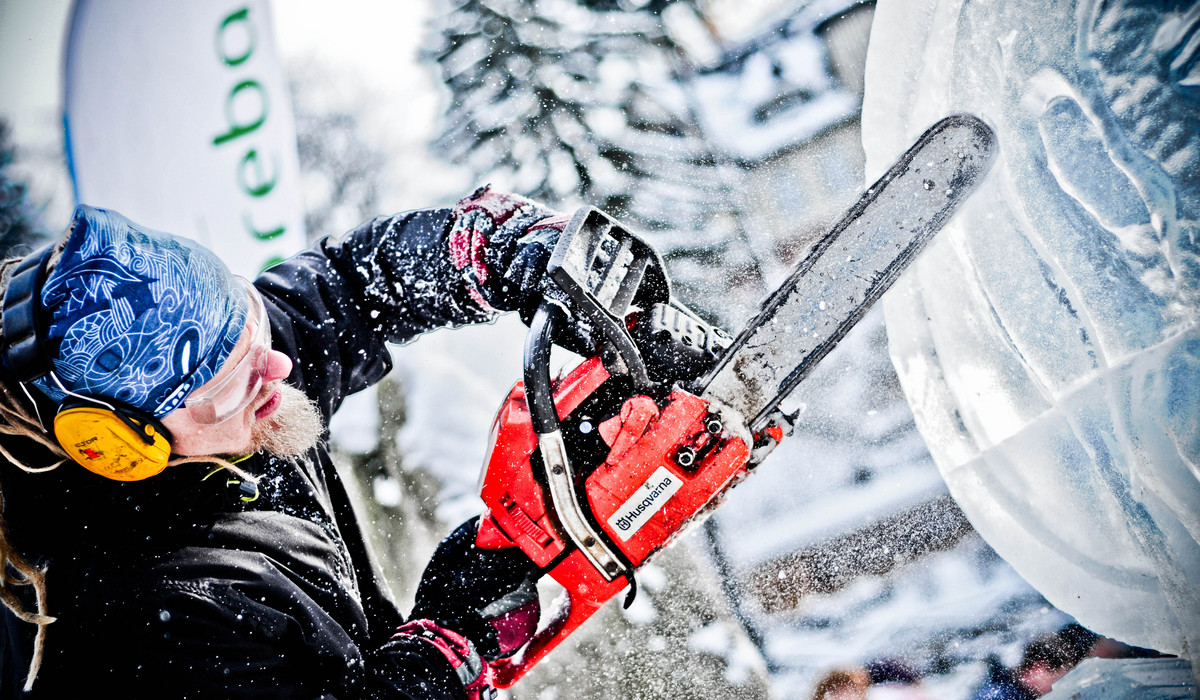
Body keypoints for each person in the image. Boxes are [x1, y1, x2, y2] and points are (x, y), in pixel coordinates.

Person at [0, 187, 576, 698]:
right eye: (231, 381)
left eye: (254, 331)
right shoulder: (151, 626)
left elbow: (349, 286)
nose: (277, 368)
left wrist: (483, 251)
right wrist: (440, 654)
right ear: (119, 442)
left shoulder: (232, 392)